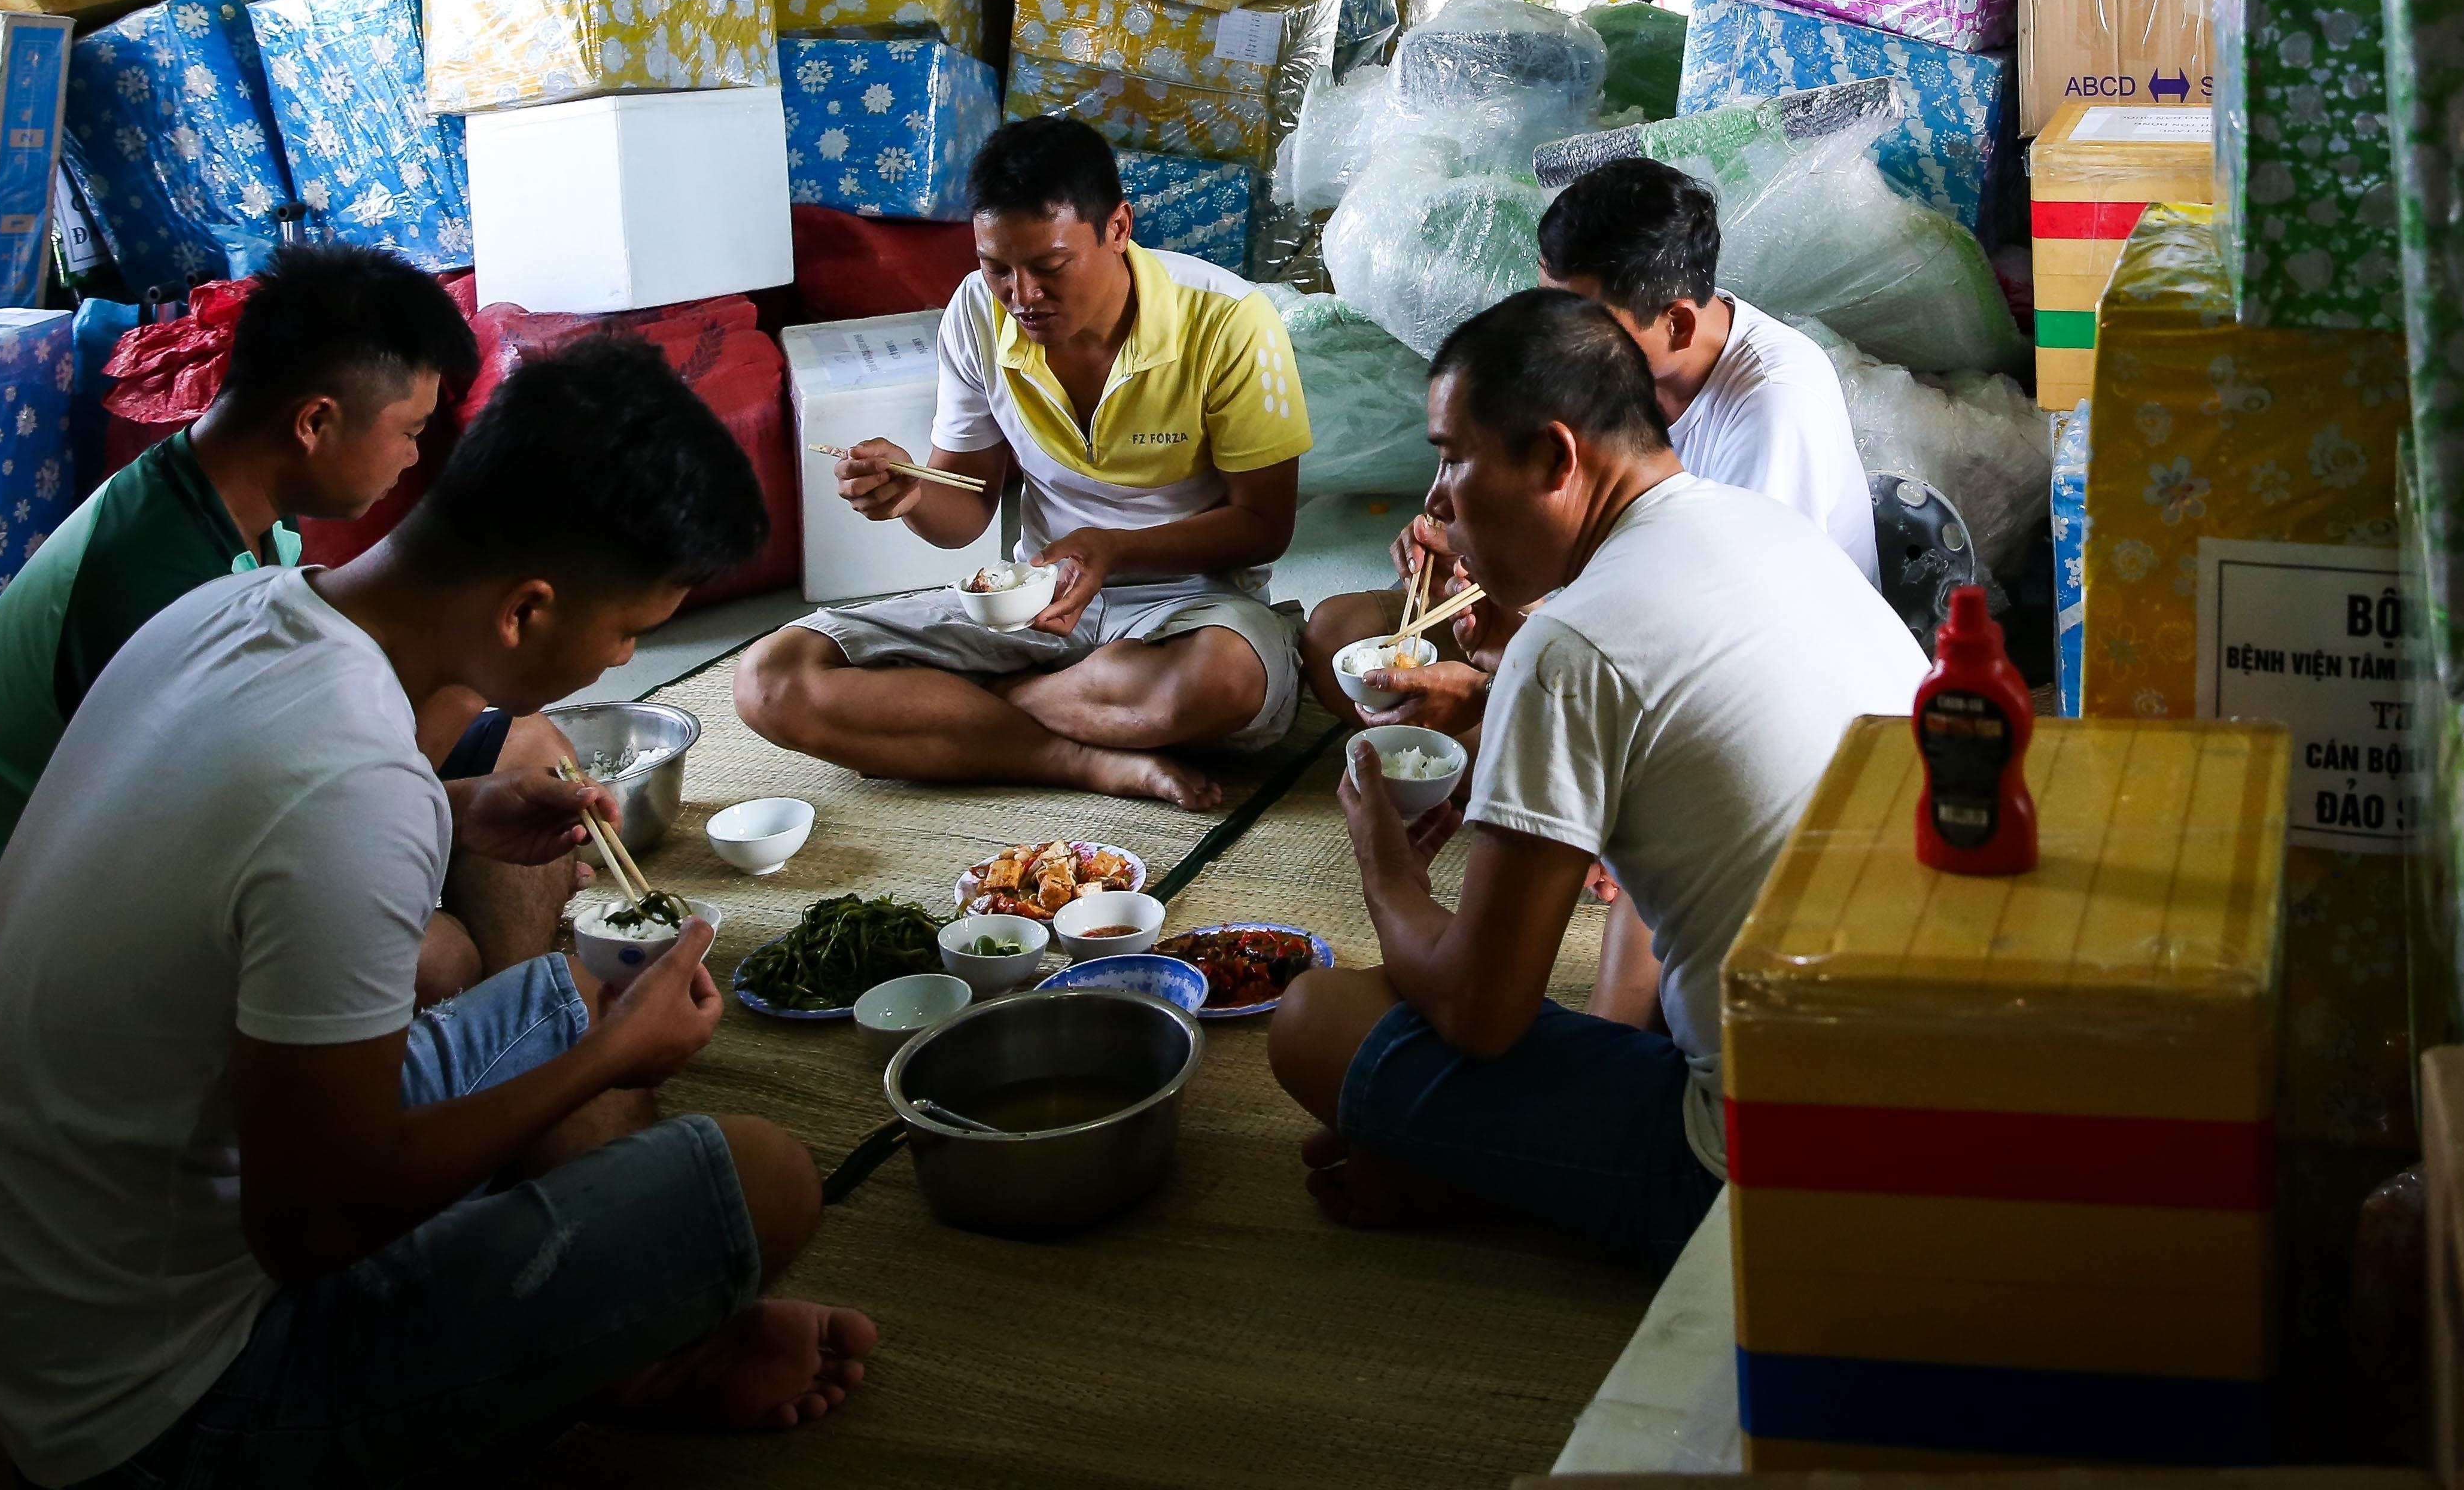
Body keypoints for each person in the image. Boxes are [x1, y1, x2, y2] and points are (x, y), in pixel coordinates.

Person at [0, 337, 874, 1488]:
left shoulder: (238, 610)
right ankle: (616, 1347)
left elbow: (256, 849)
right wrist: (612, 1064)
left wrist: (456, 809)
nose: (627, 656)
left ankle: (608, 1325)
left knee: (569, 999)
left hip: (69, 1288)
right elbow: (312, 1228)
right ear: (527, 612)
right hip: (165, 1408)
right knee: (759, 1177)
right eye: (630, 630)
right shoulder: (350, 793)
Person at [1266, 289, 1924, 1270]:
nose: (1436, 499)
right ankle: (1495, 1160)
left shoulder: (1571, 646)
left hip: (1770, 1178)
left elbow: (1481, 1015)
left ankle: (1491, 1176)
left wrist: (1385, 867)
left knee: (1316, 1020)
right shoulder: (1760, 525)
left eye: (1454, 455)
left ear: (1558, 460)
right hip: (1948, 1095)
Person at [0, 243, 562, 1002]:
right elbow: (225, 825)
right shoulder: (149, 575)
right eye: (410, 430)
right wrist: (457, 739)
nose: (412, 455)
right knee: (436, 959)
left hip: (187, 821)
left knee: (532, 753)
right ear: (315, 423)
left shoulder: (237, 494)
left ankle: (511, 1024)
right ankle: (488, 1037)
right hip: (57, 941)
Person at [735, 118, 1313, 811]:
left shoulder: (1230, 321)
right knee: (772, 678)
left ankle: (971, 712)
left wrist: (1110, 552)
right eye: (996, 265)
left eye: (1050, 266)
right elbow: (967, 512)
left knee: (1221, 682)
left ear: (1119, 227)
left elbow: (1263, 525)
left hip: (1187, 609)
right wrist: (913, 492)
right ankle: (1083, 756)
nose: (1021, 295)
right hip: (1032, 603)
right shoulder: (976, 314)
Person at [1295, 154, 1875, 720]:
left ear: (1677, 324)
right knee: (1335, 641)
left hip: (1704, 681)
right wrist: (1472, 544)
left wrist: (1498, 682)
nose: (1555, 340)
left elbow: (1719, 656)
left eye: (1581, 321)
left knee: (1490, 749)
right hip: (1593, 619)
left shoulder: (1773, 408)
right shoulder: (1587, 358)